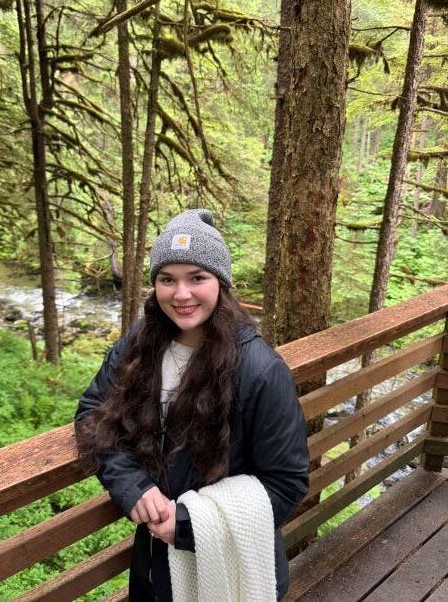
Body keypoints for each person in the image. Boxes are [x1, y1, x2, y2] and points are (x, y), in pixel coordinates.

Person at [75, 209, 309, 601]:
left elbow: (286, 483)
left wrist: (187, 525)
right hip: (153, 568)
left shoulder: (259, 370)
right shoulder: (140, 343)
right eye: (168, 279)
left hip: (231, 572)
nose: (181, 294)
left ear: (221, 283)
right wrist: (133, 486)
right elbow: (92, 415)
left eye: (197, 278)